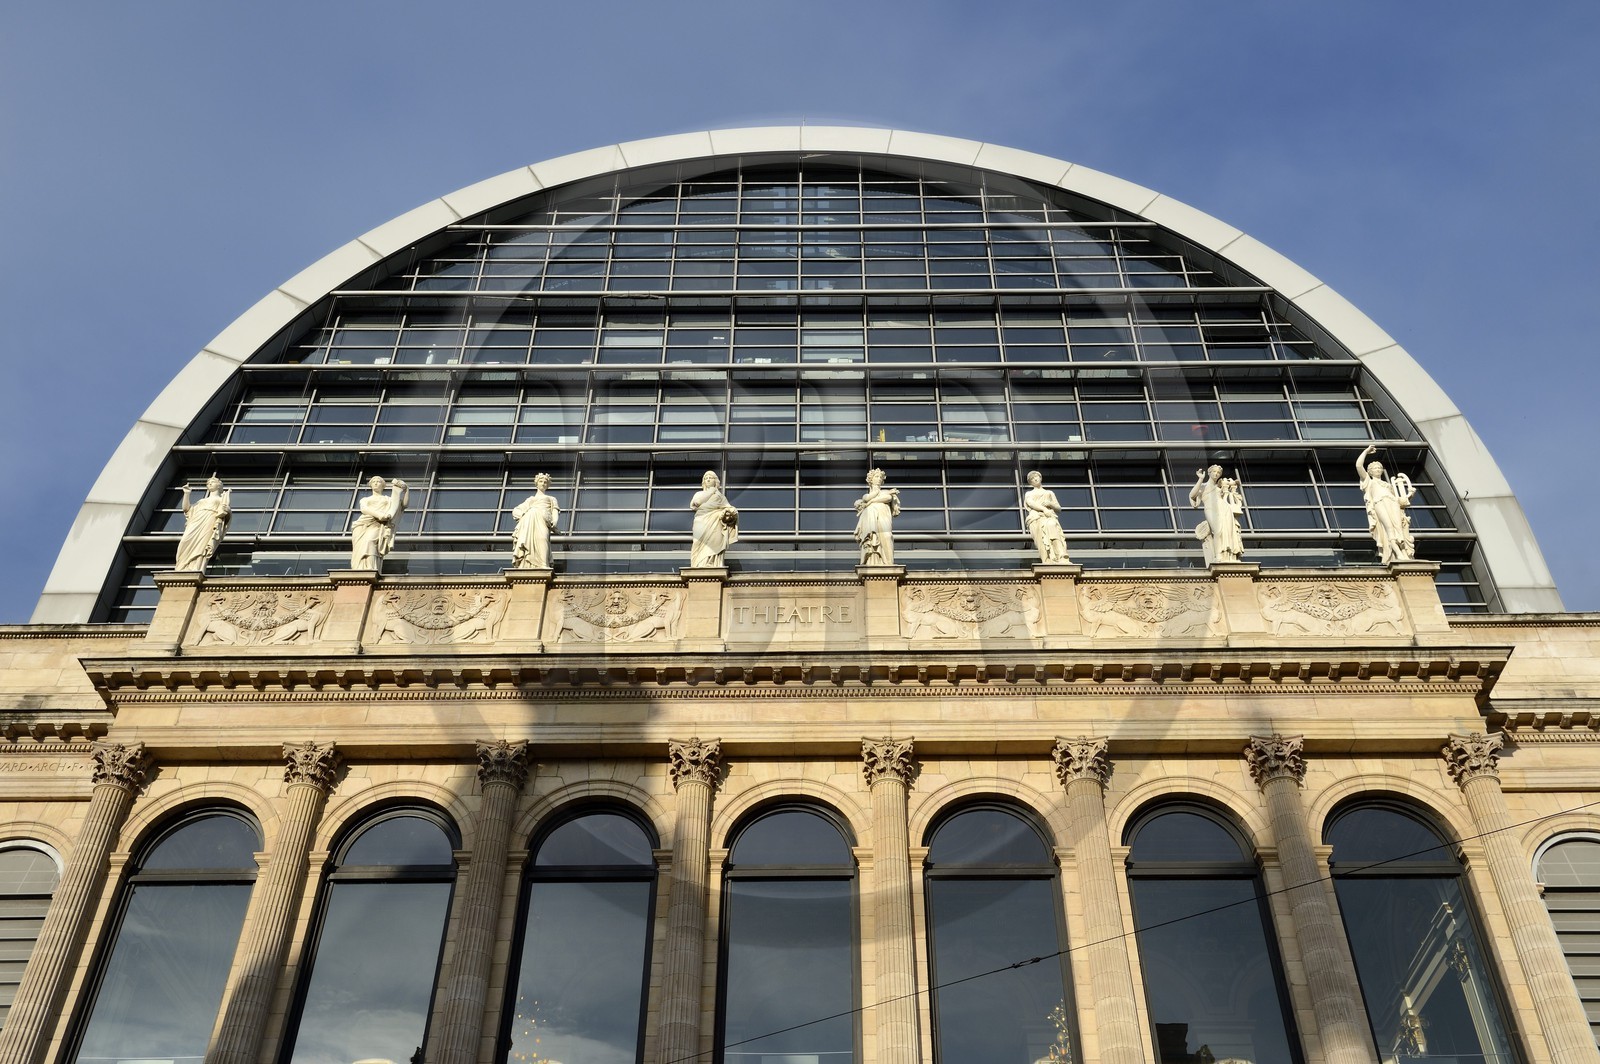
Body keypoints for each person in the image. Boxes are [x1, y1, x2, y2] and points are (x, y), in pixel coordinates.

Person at [1356, 445, 1415, 563]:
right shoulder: (1369, 481)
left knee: (1399, 528)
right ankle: (1397, 553)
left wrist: (1409, 495)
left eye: (1379, 468)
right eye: (1375, 468)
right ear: (1370, 471)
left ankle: (1403, 553)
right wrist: (1366, 451)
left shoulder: (1388, 485)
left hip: (1393, 503)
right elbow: (1358, 465)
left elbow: (1400, 501)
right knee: (1389, 528)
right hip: (1379, 503)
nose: (1378, 470)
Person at [1188, 465, 1245, 564]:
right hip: (1210, 509)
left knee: (1227, 531)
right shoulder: (1203, 486)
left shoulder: (1219, 486)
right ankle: (1218, 555)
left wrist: (1234, 483)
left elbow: (1233, 486)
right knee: (1217, 531)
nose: (1216, 474)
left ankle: (1228, 556)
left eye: (1218, 473)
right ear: (1209, 473)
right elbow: (1192, 495)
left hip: (1224, 508)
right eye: (1214, 471)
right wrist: (1200, 479)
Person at [174, 475, 231, 572]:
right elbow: (186, 509)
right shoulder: (201, 501)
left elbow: (225, 511)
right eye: (208, 483)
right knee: (184, 541)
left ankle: (196, 567)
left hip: (209, 520)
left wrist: (227, 510)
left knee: (202, 545)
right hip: (195, 521)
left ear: (219, 485)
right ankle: (182, 566)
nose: (209, 484)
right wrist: (187, 493)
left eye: (212, 482)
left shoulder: (221, 499)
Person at [350, 476, 409, 571]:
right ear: (371, 485)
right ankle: (360, 568)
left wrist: (406, 490)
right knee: (359, 548)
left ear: (383, 485)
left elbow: (404, 505)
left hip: (378, 525)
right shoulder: (365, 499)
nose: (376, 483)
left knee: (370, 542)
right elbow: (364, 509)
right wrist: (380, 515)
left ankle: (371, 568)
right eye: (374, 481)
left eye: (378, 481)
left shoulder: (388, 499)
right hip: (362, 525)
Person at [688, 471, 739, 567]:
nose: (708, 479)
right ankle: (699, 564)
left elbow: (728, 508)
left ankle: (711, 563)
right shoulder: (699, 494)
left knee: (714, 542)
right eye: (706, 478)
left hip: (715, 521)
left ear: (715, 481)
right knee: (698, 542)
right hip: (701, 520)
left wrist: (730, 512)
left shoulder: (720, 496)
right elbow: (694, 505)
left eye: (710, 478)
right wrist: (711, 492)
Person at [510, 473, 560, 570]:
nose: (543, 483)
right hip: (530, 521)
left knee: (543, 538)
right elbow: (516, 510)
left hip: (543, 521)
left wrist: (555, 521)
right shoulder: (530, 499)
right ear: (537, 483)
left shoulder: (551, 498)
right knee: (528, 541)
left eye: (545, 482)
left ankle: (543, 564)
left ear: (547, 485)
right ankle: (527, 564)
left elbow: (555, 510)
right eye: (541, 481)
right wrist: (523, 515)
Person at [853, 468, 900, 566]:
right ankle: (874, 561)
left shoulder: (885, 492)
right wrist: (875, 495)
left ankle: (889, 563)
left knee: (887, 536)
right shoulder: (867, 495)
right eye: (876, 477)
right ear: (871, 479)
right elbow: (866, 498)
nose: (879, 479)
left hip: (883, 515)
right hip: (871, 518)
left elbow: (888, 498)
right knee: (873, 537)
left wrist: (871, 502)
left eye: (880, 477)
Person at [1022, 471, 1070, 563]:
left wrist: (1050, 504)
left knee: (1052, 526)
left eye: (1036, 477)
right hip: (1036, 517)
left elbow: (1058, 508)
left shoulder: (1049, 492)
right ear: (1030, 482)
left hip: (1049, 517)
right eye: (1032, 479)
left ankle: (1061, 555)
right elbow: (1031, 503)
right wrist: (1044, 509)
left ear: (1040, 478)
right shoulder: (1029, 493)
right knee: (1041, 540)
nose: (1035, 479)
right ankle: (1047, 558)